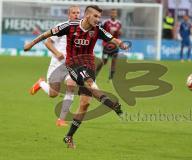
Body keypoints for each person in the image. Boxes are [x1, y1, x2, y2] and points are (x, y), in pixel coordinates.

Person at [24, 5, 129, 149]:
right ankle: (113, 105)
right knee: (88, 84)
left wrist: (121, 44)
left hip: (89, 65)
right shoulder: (70, 26)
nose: (98, 20)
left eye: (99, 17)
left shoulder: (97, 29)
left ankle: (68, 136)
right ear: (87, 16)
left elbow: (112, 38)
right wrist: (31, 43)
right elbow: (46, 35)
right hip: (72, 64)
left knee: (85, 104)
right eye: (96, 16)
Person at [29, 5, 80, 127]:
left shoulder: (82, 30)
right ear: (69, 15)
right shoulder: (61, 27)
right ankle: (41, 83)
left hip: (72, 65)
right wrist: (57, 53)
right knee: (53, 94)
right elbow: (47, 42)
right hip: (57, 64)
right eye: (74, 13)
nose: (76, 15)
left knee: (71, 85)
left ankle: (61, 119)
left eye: (78, 13)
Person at [95, 9, 122, 80]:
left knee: (114, 61)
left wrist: (118, 32)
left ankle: (111, 77)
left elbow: (120, 34)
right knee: (104, 61)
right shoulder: (106, 22)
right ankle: (95, 73)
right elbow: (101, 32)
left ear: (116, 14)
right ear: (110, 14)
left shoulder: (119, 23)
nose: (113, 14)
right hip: (106, 45)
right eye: (112, 13)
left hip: (115, 45)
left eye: (115, 13)